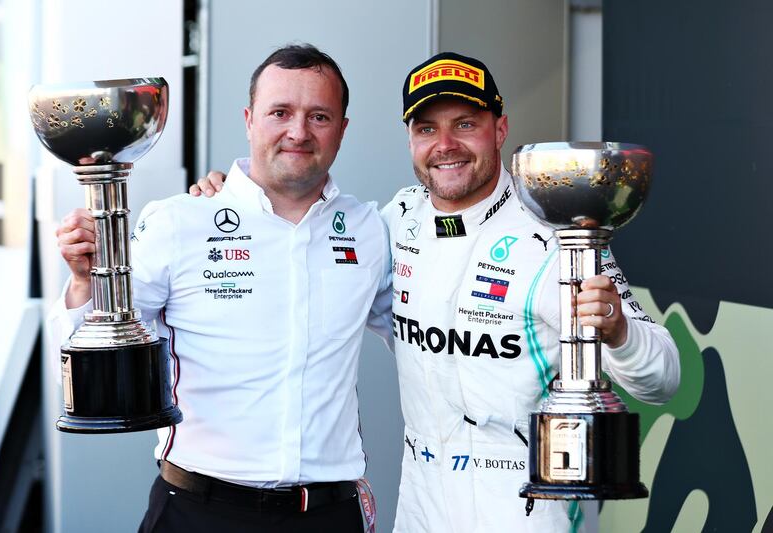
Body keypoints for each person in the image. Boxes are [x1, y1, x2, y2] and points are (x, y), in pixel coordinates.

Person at [191, 52, 681, 533]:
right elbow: (300, 249)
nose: (445, 144)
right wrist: (229, 198)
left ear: (500, 129)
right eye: (427, 128)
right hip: (421, 504)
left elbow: (663, 380)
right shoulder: (392, 223)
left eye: (465, 124)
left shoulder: (557, 232)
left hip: (524, 504)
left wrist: (617, 331)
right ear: (410, 139)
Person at [48, 44, 391, 533]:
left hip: (327, 514)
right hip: (200, 510)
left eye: (319, 116)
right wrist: (85, 279)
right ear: (250, 119)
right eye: (280, 112)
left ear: (342, 129)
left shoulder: (370, 229)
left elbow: (423, 335)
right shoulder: (179, 222)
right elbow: (93, 341)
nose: (298, 131)